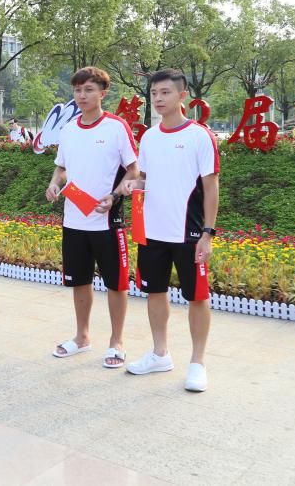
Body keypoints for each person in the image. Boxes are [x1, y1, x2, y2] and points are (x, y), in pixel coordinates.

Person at [117, 68, 219, 392]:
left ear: (181, 95)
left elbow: (211, 187)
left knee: (197, 297)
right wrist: (131, 185)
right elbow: (146, 179)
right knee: (155, 291)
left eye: (165, 92)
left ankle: (198, 363)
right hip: (152, 232)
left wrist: (208, 233)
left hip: (189, 233)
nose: (158, 99)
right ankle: (160, 354)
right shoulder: (149, 137)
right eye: (154, 93)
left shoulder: (200, 136)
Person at [45, 67, 138, 368]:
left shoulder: (116, 127)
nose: (82, 95)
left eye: (88, 90)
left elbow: (134, 171)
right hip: (73, 221)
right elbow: (61, 167)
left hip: (107, 221)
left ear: (102, 93)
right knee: (79, 281)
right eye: (77, 90)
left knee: (116, 284)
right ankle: (82, 337)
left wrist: (115, 195)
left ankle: (116, 342)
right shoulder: (69, 129)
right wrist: (54, 183)